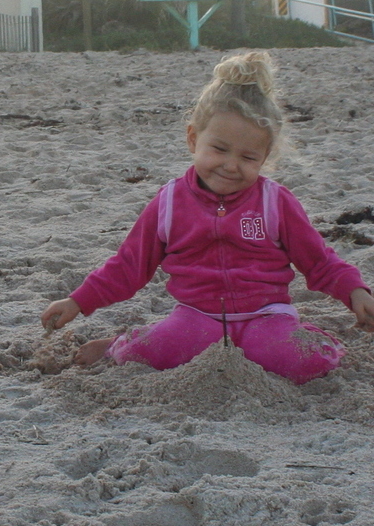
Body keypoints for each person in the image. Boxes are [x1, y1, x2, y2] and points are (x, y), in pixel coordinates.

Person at [40, 51, 374, 385]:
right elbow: (129, 266)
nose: (231, 165)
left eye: (247, 157)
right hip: (197, 316)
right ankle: (116, 345)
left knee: (295, 360)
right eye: (219, 149)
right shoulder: (169, 203)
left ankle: (319, 339)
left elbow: (319, 262)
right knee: (153, 353)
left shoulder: (275, 202)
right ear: (193, 139)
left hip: (267, 315)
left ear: (264, 157)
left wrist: (354, 291)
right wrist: (78, 301)